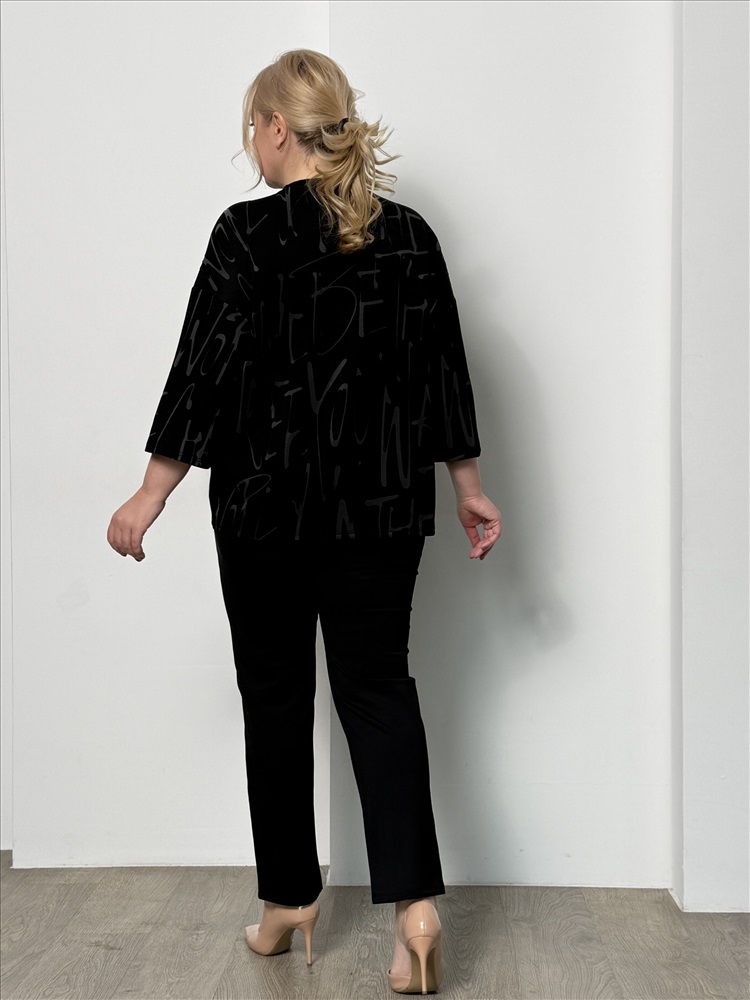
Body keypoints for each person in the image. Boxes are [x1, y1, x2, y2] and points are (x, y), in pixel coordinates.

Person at [107, 48, 501, 996]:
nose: (252, 142)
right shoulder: (409, 235)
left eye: (253, 125)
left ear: (278, 129)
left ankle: (289, 899)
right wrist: (469, 484)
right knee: (379, 691)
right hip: (382, 510)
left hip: (264, 510)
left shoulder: (244, 234)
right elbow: (442, 370)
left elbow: (200, 371)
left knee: (276, 696)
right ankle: (415, 914)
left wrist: (151, 492)